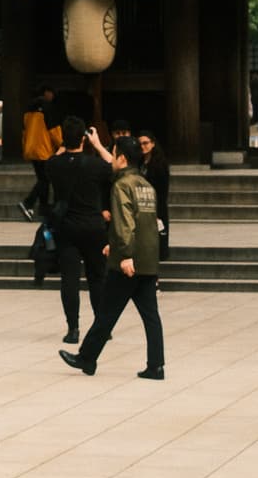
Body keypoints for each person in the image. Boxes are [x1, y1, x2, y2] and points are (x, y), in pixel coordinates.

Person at [60, 137, 164, 380]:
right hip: (147, 260)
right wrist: (116, 247)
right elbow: (147, 225)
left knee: (107, 312)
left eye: (113, 154)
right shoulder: (146, 185)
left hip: (129, 262)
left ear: (123, 159)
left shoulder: (122, 185)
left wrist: (125, 253)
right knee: (151, 315)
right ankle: (156, 365)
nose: (111, 159)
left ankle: (86, 357)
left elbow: (125, 223)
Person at [45, 118, 113, 344]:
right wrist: (98, 144)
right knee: (97, 277)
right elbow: (115, 165)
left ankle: (73, 328)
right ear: (84, 138)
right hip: (93, 226)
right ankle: (102, 325)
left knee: (70, 279)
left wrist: (64, 146)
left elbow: (53, 158)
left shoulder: (54, 164)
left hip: (67, 228)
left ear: (64, 138)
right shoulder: (95, 165)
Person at [19, 84, 60, 219]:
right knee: (45, 179)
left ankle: (43, 209)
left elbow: (24, 132)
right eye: (52, 93)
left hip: (31, 149)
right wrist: (62, 145)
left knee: (43, 179)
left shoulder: (28, 109)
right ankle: (28, 202)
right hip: (44, 149)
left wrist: (25, 148)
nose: (53, 96)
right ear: (47, 93)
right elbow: (54, 131)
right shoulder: (48, 108)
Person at [135, 129, 171, 255]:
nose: (143, 146)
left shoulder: (160, 163)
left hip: (156, 202)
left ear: (153, 143)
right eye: (140, 144)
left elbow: (162, 191)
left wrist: (158, 210)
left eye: (146, 143)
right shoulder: (138, 162)